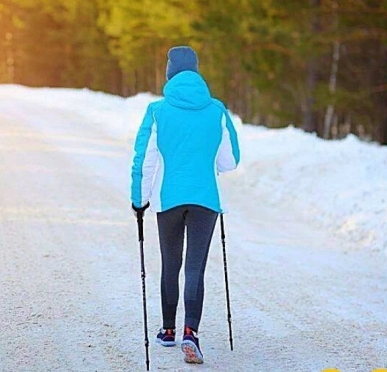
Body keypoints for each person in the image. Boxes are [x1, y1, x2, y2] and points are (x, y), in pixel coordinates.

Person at [130, 45, 240, 364]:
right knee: (195, 267)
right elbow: (230, 160)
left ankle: (167, 330)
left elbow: (144, 160)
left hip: (169, 199)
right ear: (197, 71)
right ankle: (191, 332)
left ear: (169, 73)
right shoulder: (217, 110)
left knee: (171, 263)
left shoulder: (156, 111)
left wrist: (140, 200)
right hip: (206, 199)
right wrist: (208, 164)